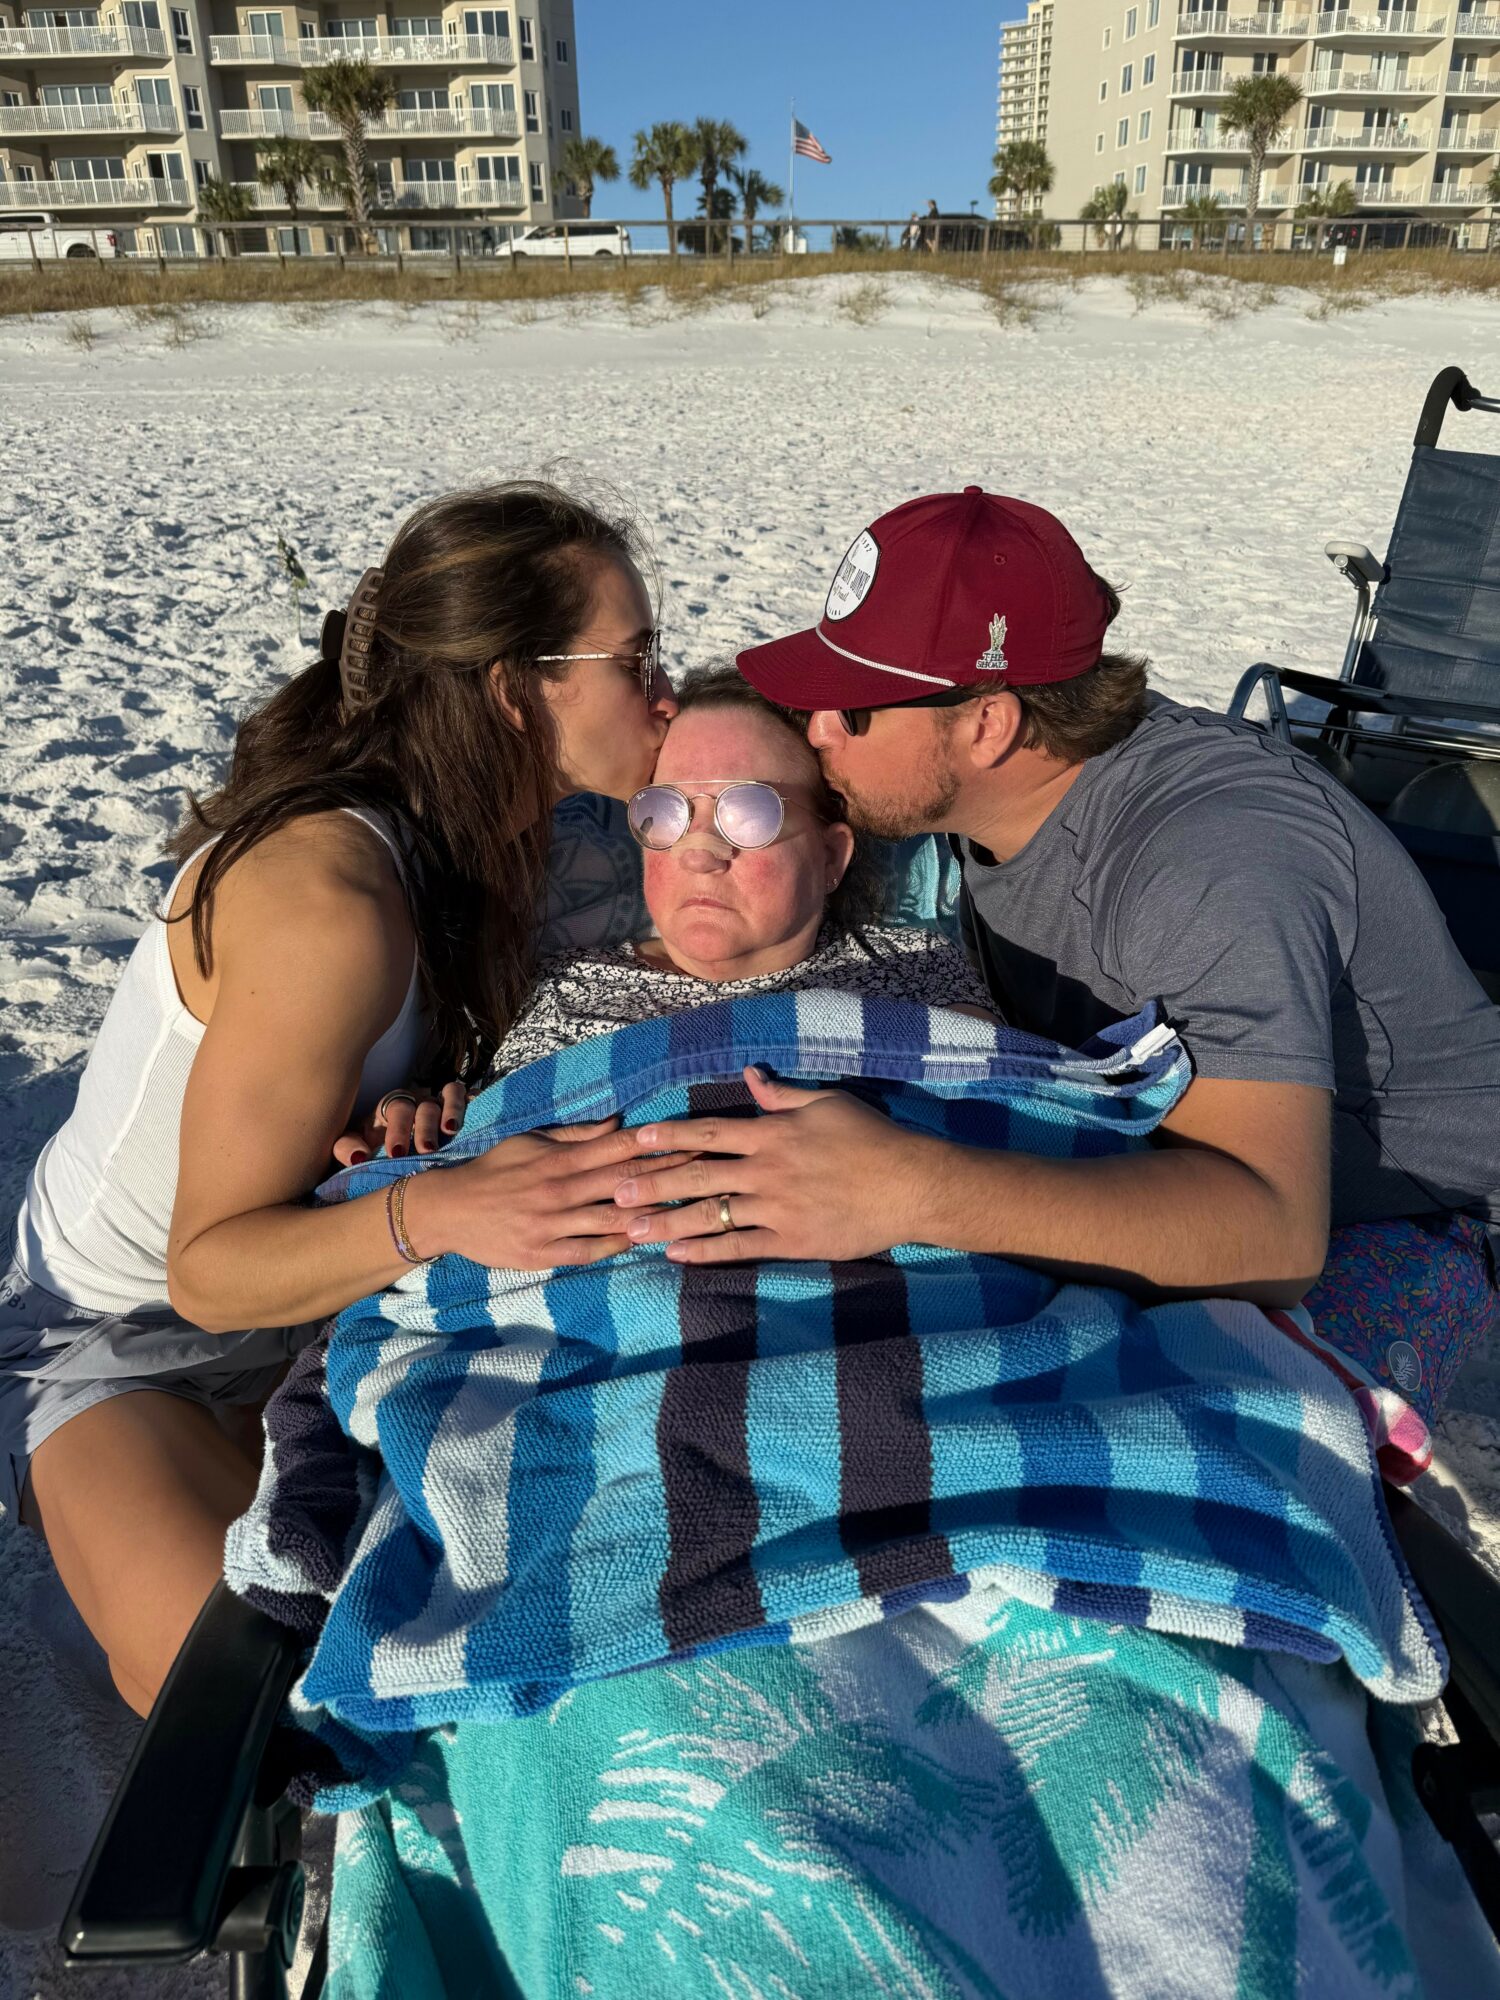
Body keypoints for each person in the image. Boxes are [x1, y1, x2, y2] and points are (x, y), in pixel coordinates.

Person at [613, 486, 1500, 1437]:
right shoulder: (997, 794)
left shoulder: (1211, 860)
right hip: (1151, 1143)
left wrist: (906, 1186)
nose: (816, 730)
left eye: (853, 711)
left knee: (1198, 1438)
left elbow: (1271, 1236)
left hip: (1394, 1212)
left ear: (988, 725)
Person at [3, 481, 681, 1714]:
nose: (665, 691)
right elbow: (206, 1272)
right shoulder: (328, 901)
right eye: (634, 661)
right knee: (266, 1707)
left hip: (329, 1306)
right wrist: (444, 1207)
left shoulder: (488, 834)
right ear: (513, 690)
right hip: (125, 1338)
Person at [492, 666, 993, 1077]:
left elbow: (996, 1117)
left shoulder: (918, 975)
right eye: (664, 812)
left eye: (749, 812)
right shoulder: (566, 990)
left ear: (830, 856)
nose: (699, 853)